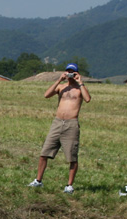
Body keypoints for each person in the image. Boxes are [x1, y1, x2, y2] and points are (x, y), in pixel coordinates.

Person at [28, 62, 91, 193]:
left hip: (71, 124)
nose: (70, 74)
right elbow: (46, 95)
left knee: (72, 157)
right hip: (57, 123)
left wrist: (80, 82)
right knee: (44, 153)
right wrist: (59, 80)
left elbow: (87, 99)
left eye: (73, 72)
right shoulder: (61, 87)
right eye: (68, 72)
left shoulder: (79, 88)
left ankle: (69, 185)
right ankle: (38, 181)